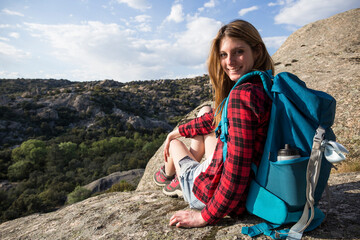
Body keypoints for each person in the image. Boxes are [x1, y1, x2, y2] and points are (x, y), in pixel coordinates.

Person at [153, 19, 274, 228]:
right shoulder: (264, 84)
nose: (230, 62)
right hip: (245, 179)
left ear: (258, 52)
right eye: (224, 55)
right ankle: (186, 168)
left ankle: (170, 178)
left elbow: (236, 172)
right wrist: (179, 130)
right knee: (207, 111)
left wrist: (204, 217)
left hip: (210, 194)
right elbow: (218, 118)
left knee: (175, 146)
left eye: (238, 52)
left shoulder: (241, 97)